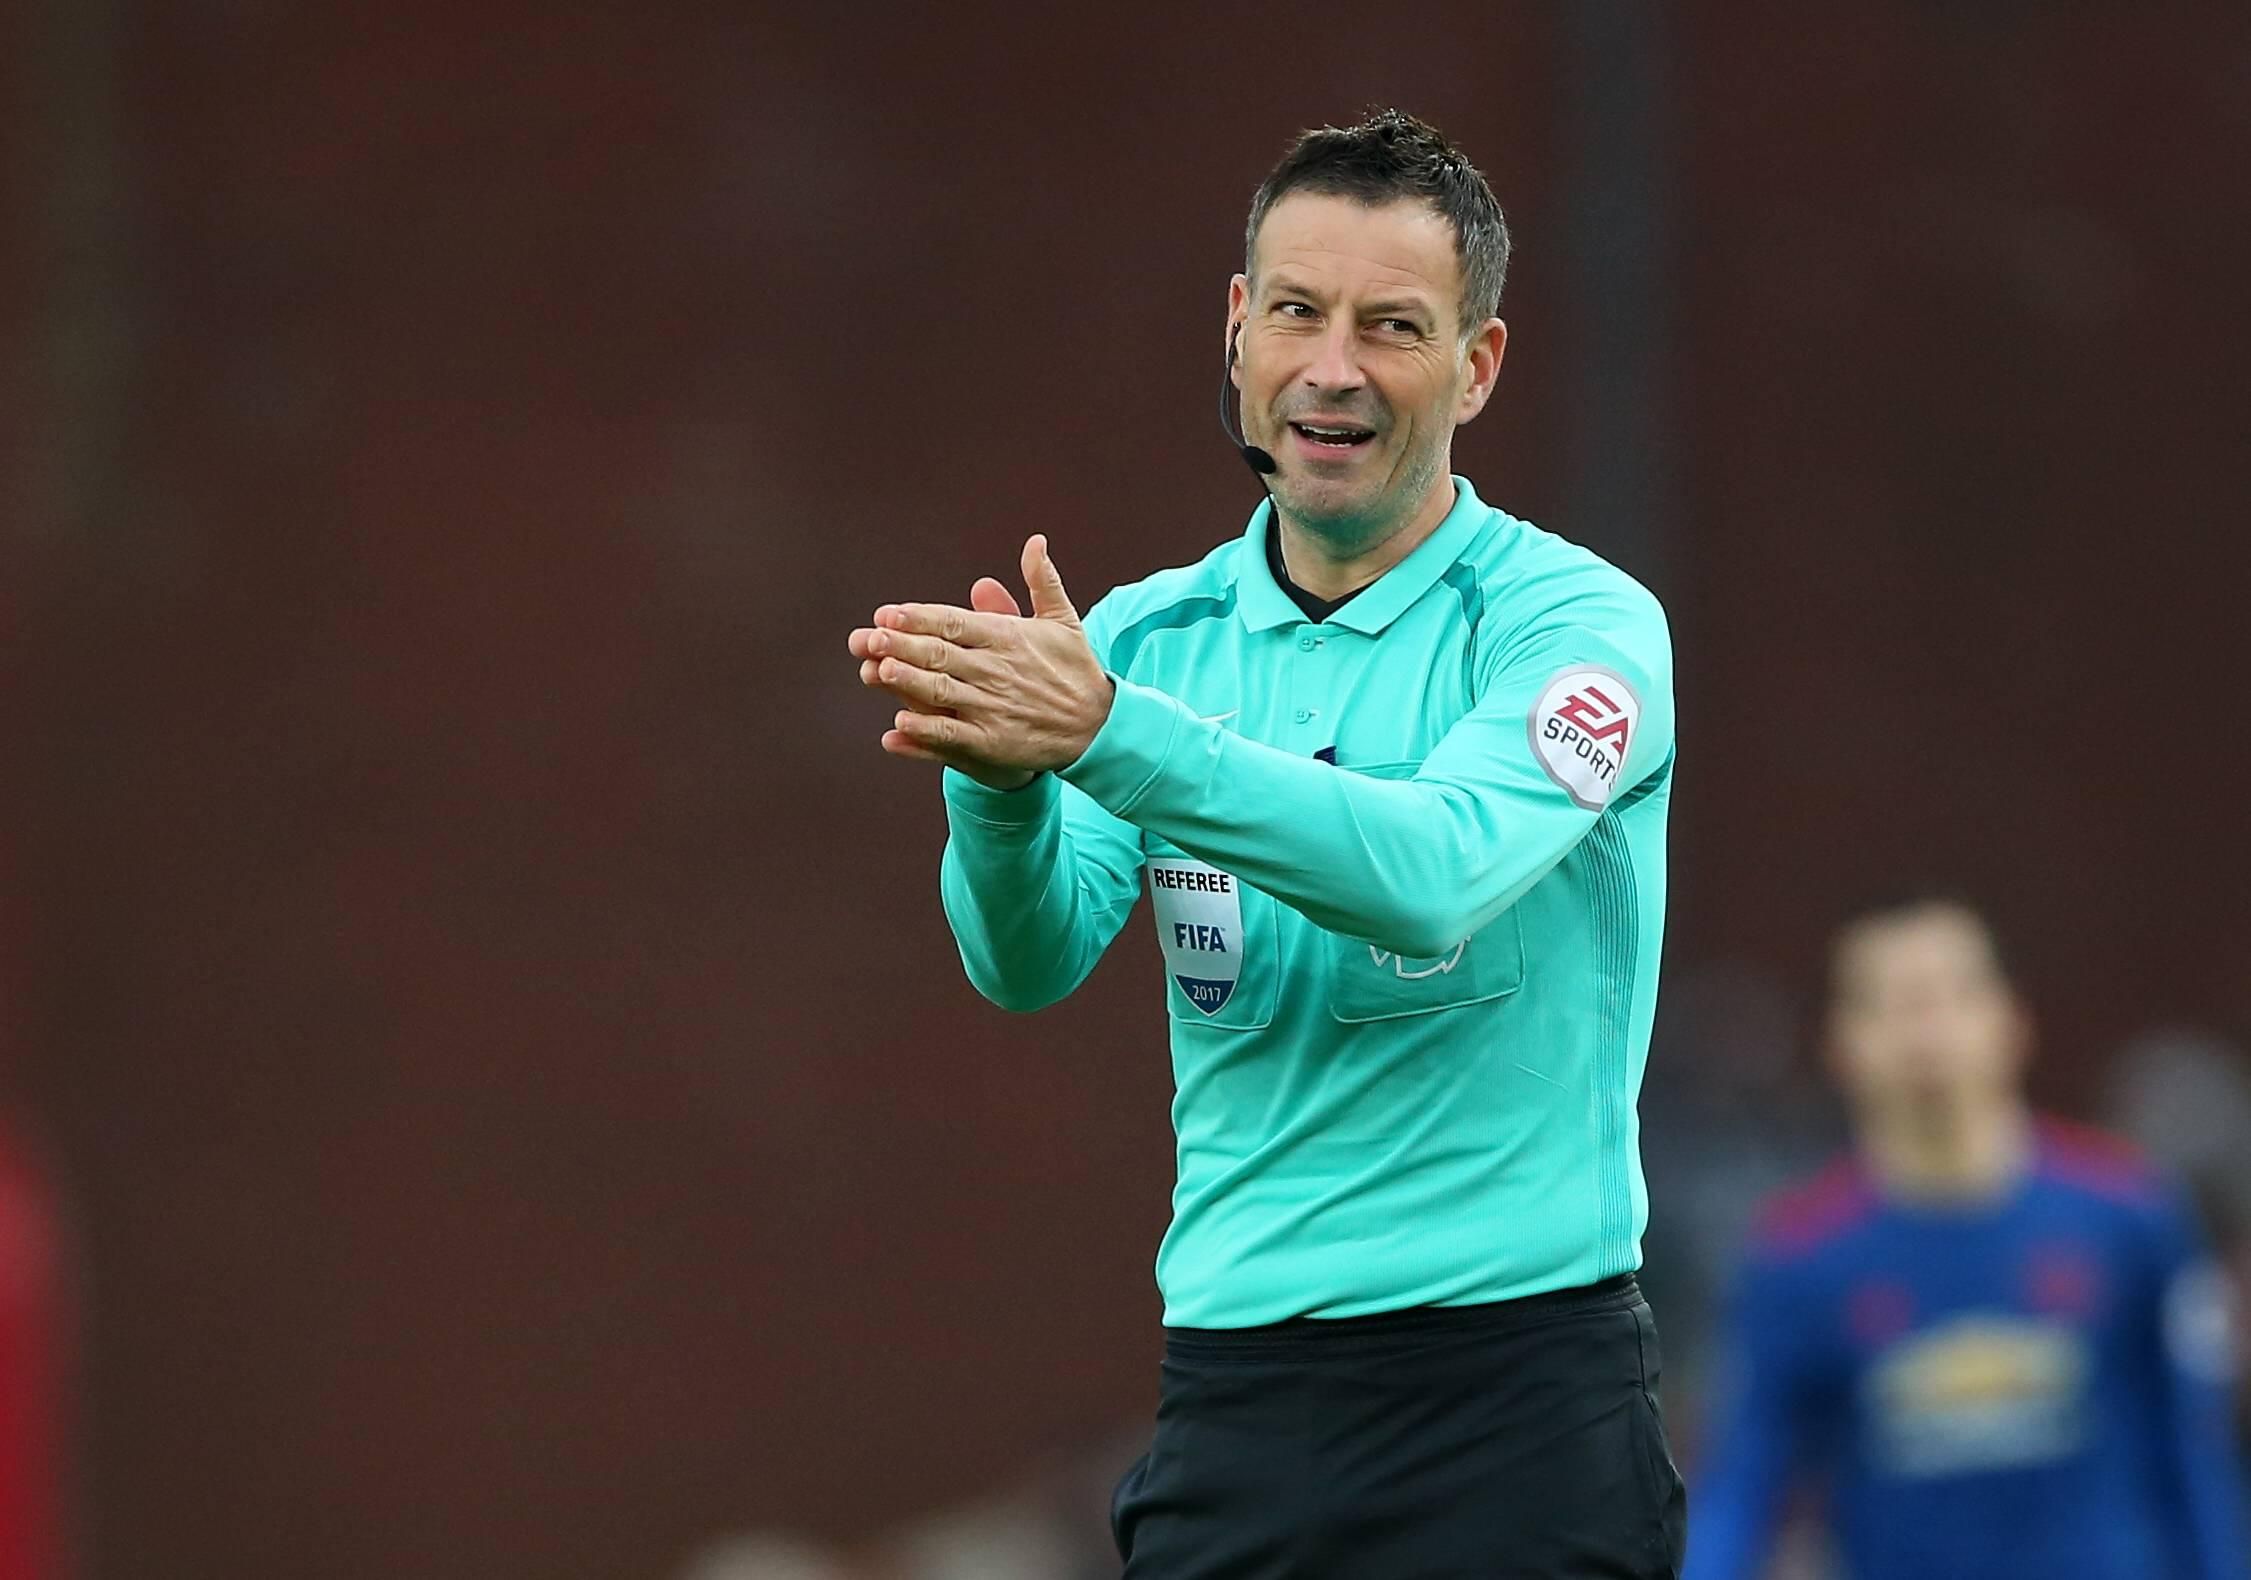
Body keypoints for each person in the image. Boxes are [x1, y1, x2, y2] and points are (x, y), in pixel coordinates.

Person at [848, 110, 1682, 1576]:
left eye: (1392, 326)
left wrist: (1106, 736)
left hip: (1516, 1398)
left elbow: (1428, 878)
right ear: (1236, 330)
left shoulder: (1576, 630)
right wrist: (997, 787)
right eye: (1294, 311)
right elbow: (1027, 961)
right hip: (1237, 1392)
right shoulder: (1141, 641)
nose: (1331, 367)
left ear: (1476, 367)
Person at [1686, 893, 2250, 1580]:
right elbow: (1743, 1483)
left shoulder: (2127, 1216)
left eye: (1952, 995)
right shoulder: (1797, 1258)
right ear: (1840, 1045)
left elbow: (2192, 1460)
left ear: (2012, 1020)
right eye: (1892, 1003)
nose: (1926, 1035)